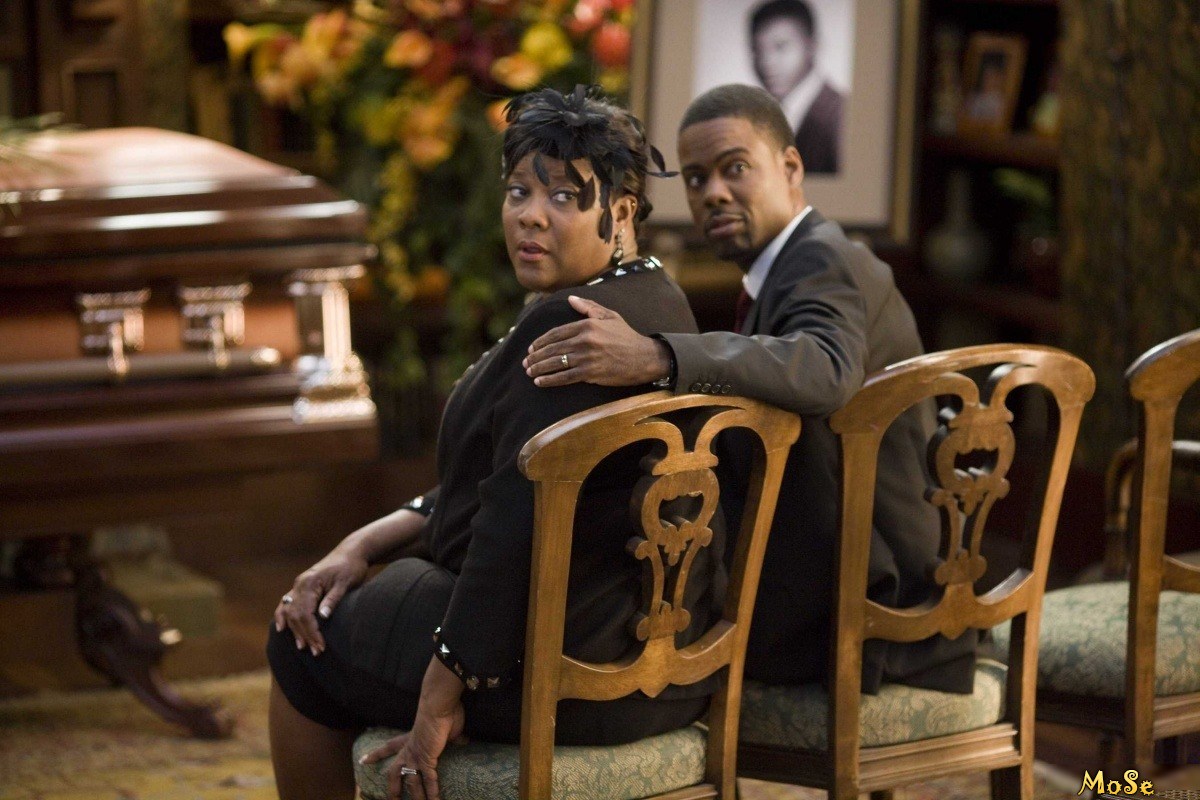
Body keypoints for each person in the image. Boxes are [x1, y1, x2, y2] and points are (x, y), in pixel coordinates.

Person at [266, 86, 725, 800]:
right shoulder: (659, 304)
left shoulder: (574, 327)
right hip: (664, 670)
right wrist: (364, 542)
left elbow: (511, 530)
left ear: (622, 211)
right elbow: (497, 481)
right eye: (518, 192)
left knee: (299, 640)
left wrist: (441, 695)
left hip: (555, 672)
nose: (530, 216)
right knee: (368, 595)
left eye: (564, 197)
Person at [522, 84, 977, 695]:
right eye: (696, 179)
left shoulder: (823, 258)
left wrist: (657, 354)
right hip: (845, 585)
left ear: (791, 168)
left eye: (734, 168)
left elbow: (825, 368)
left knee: (619, 634)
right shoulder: (790, 267)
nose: (713, 192)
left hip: (875, 608)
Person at [748, 0, 844, 174]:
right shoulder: (758, 118)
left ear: (813, 46)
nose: (767, 62)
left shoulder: (840, 116)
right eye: (757, 50)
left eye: (781, 47)